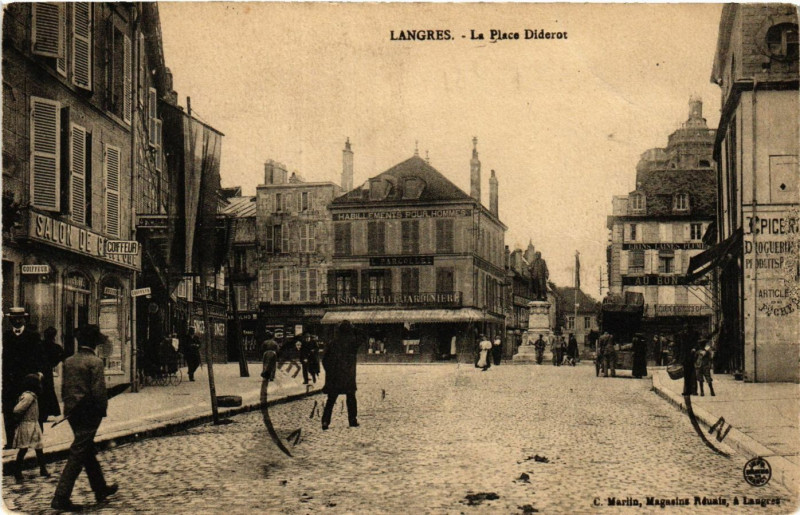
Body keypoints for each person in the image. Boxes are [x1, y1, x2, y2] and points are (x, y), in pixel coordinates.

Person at [52, 325, 118, 511]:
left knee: (87, 450)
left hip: (73, 412)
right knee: (79, 452)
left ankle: (100, 489)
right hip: (89, 413)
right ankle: (60, 497)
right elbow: (98, 391)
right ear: (94, 343)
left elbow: (65, 389)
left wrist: (68, 410)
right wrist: (102, 410)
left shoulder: (69, 361)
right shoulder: (95, 362)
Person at [2, 307, 43, 449]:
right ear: (10, 320)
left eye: (20, 318)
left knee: (29, 411)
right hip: (9, 381)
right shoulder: (5, 336)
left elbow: (40, 357)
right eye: (14, 319)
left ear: (24, 319)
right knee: (9, 411)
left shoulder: (33, 336)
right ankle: (11, 441)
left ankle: (34, 441)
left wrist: (38, 374)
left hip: (27, 381)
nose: (17, 321)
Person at [321, 321, 360, 429]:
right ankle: (352, 420)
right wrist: (354, 328)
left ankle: (325, 421)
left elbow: (324, 360)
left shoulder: (332, 343)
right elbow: (362, 337)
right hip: (348, 377)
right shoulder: (352, 343)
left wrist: (329, 371)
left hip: (334, 377)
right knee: (351, 398)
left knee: (331, 400)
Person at [12, 374, 49, 482]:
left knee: (39, 447)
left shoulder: (33, 396)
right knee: (23, 448)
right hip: (27, 425)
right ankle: (17, 471)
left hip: (34, 424)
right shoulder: (28, 397)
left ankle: (43, 469)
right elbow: (17, 409)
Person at [39, 326, 65, 428]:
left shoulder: (40, 345)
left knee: (42, 392)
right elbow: (62, 357)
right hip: (48, 371)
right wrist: (53, 363)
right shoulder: (56, 347)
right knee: (49, 390)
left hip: (40, 370)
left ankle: (43, 414)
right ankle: (53, 412)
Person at [676, 326, 699, 396]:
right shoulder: (682, 337)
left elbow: (696, 344)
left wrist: (694, 348)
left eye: (686, 330)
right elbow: (680, 348)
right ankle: (688, 390)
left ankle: (693, 390)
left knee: (692, 375)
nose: (685, 331)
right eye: (684, 330)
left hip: (691, 358)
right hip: (685, 358)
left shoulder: (692, 336)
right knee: (686, 375)